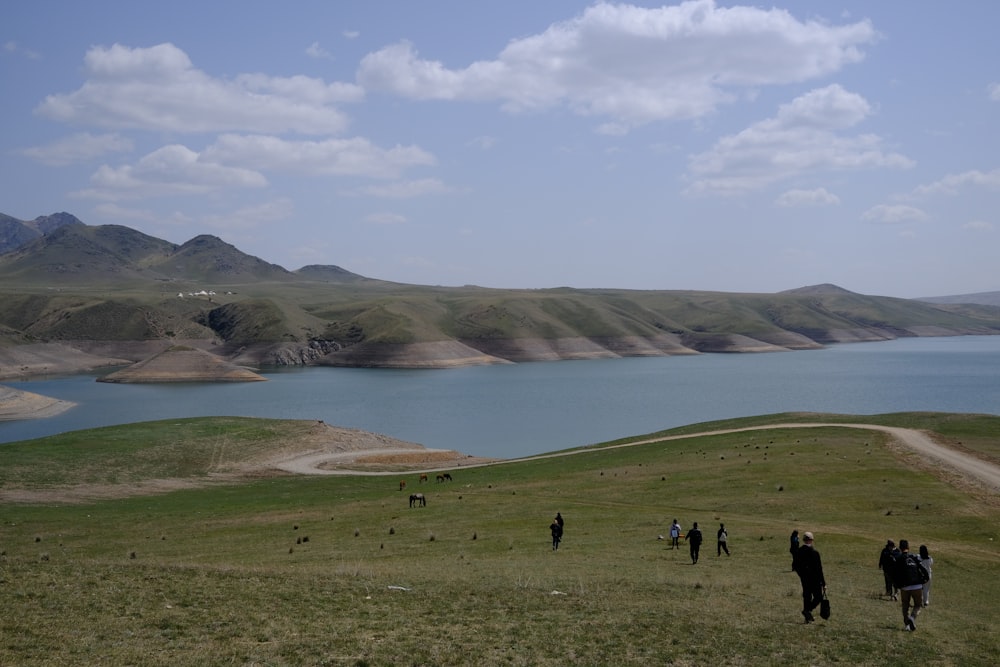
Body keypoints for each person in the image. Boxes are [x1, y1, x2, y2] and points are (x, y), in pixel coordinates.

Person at [793, 531, 826, 623]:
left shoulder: (799, 551)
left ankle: (807, 617)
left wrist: (802, 575)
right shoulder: (814, 553)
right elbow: (819, 569)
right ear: (812, 540)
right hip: (815, 579)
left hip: (804, 579)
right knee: (818, 597)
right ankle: (807, 611)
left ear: (804, 540)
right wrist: (823, 583)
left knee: (807, 597)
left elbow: (796, 565)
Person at [893, 539, 926, 631]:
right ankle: (912, 618)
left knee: (905, 605)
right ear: (908, 547)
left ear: (900, 548)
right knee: (918, 605)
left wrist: (897, 585)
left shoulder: (898, 558)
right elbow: (922, 569)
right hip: (917, 585)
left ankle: (907, 624)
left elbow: (895, 573)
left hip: (904, 586)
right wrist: (924, 579)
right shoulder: (914, 557)